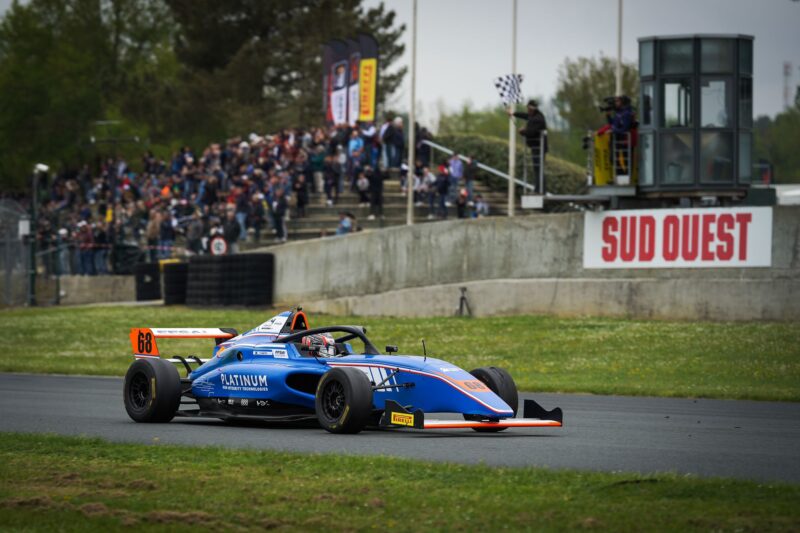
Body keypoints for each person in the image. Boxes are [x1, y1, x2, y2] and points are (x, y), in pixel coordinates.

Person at [510, 99, 548, 192]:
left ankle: (540, 189)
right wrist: (514, 113)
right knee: (537, 169)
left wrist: (522, 131)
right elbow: (526, 116)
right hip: (536, 147)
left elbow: (530, 132)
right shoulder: (535, 116)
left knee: (538, 169)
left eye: (528, 108)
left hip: (539, 147)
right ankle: (539, 189)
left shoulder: (537, 119)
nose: (527, 110)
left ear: (532, 108)